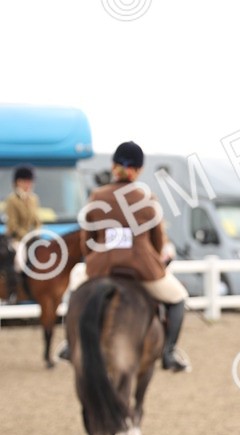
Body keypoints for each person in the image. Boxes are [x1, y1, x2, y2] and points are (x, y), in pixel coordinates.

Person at [61, 141, 190, 371]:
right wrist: (157, 258)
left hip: (101, 267)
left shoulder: (97, 196)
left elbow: (87, 239)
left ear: (113, 166)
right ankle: (169, 352)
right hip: (142, 268)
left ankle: (70, 345)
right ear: (139, 169)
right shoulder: (147, 198)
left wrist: (93, 259)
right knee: (179, 297)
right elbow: (158, 241)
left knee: (74, 287)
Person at [2, 165, 42, 302]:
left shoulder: (33, 199)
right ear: (18, 182)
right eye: (26, 181)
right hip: (16, 238)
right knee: (19, 261)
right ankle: (14, 293)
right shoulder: (12, 200)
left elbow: (37, 220)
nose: (29, 184)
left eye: (30, 181)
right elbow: (12, 225)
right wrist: (27, 235)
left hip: (31, 237)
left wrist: (37, 231)